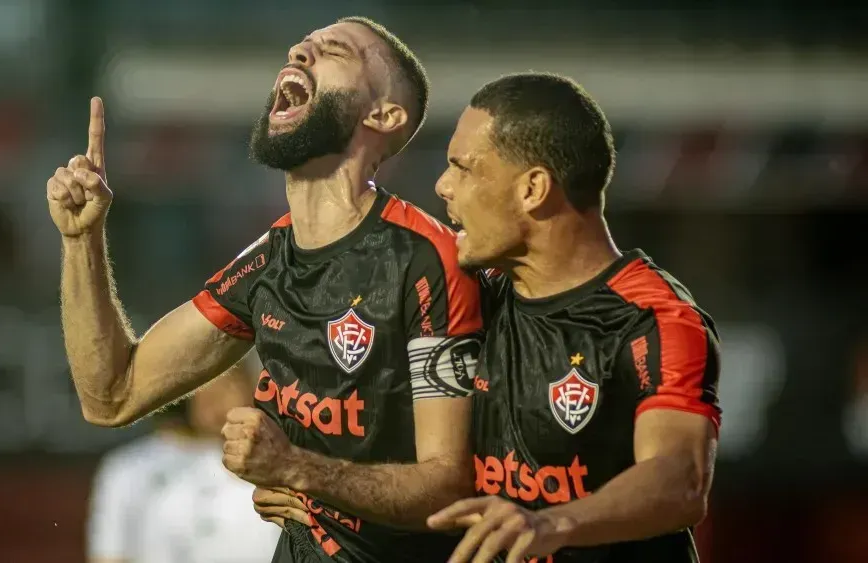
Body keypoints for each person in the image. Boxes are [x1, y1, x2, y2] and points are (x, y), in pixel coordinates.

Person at [47, 16, 483, 563]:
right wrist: (81, 240)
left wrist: (297, 468)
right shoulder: (265, 263)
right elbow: (111, 396)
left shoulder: (428, 259)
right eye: (300, 48)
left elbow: (449, 487)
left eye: (335, 52)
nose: (300, 52)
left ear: (382, 114)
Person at [424, 73, 722, 563]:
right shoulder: (466, 299)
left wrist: (551, 522)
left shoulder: (653, 320)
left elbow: (680, 477)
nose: (443, 185)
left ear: (533, 188)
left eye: (464, 168)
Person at [87, 355, 280, 563]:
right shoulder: (126, 469)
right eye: (204, 381)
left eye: (229, 381)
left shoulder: (276, 466)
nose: (214, 395)